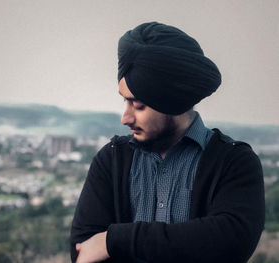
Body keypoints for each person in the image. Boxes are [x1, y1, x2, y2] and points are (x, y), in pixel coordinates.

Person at [70, 22, 265, 263]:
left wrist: (113, 241)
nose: (126, 118)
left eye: (138, 105)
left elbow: (230, 242)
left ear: (171, 102)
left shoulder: (234, 162)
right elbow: (83, 250)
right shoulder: (111, 159)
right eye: (125, 102)